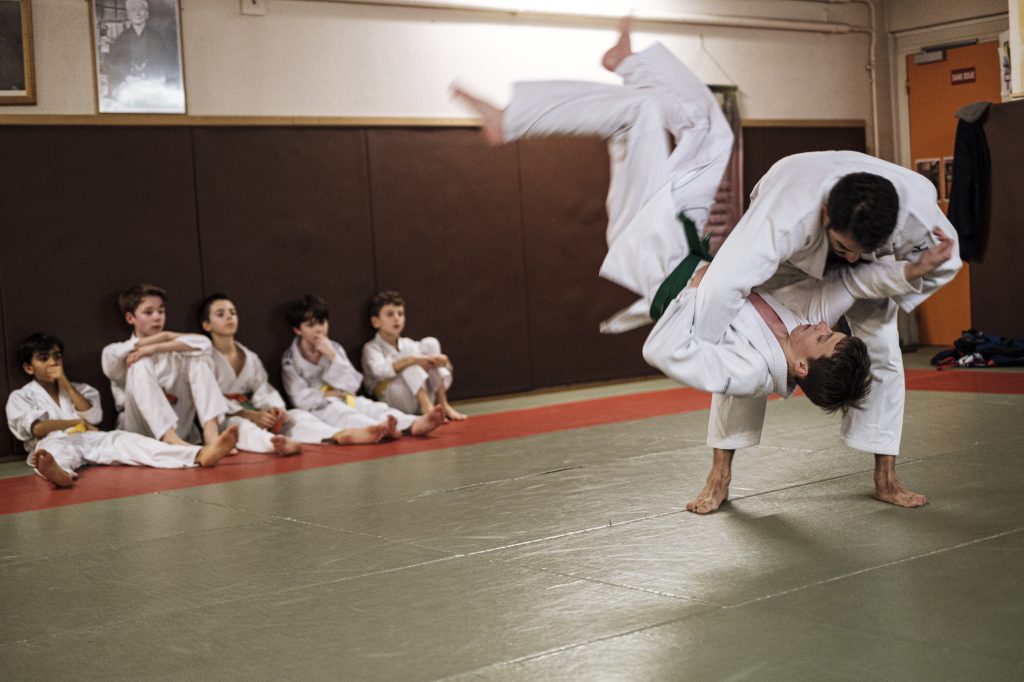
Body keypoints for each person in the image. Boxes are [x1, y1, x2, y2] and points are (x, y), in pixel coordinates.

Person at [453, 19, 958, 511]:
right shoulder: (792, 243)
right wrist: (906, 274)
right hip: (693, 244)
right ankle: (627, 61)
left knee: (641, 114)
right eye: (843, 248)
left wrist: (694, 302)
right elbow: (835, 281)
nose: (828, 322)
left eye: (826, 336)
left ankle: (513, 117)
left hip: (654, 250)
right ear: (827, 216)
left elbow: (667, 344)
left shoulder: (750, 364)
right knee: (710, 130)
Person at [6, 333, 238, 488]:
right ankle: (61, 474)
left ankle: (198, 455)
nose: (53, 363)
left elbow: (94, 417)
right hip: (56, 439)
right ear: (28, 367)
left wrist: (64, 381)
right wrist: (71, 423)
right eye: (44, 358)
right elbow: (37, 428)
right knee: (52, 449)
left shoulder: (79, 389)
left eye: (57, 357)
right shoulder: (20, 397)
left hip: (90, 436)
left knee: (131, 441)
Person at [199, 293, 396, 455]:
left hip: (261, 411)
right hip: (228, 415)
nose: (229, 317)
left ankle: (338, 434)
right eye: (220, 313)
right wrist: (248, 414)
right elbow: (209, 399)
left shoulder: (250, 357)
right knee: (240, 426)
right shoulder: (204, 360)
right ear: (207, 325)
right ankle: (274, 445)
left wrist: (274, 410)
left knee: (297, 417)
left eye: (232, 312)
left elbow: (263, 390)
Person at [281, 295, 446, 438]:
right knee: (344, 413)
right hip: (320, 406)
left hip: (344, 397)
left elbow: (352, 385)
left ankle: (413, 423)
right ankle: (379, 429)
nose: (319, 330)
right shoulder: (290, 359)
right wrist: (326, 394)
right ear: (297, 330)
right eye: (311, 325)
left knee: (373, 407)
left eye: (322, 323)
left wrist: (332, 356)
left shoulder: (334, 348)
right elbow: (298, 398)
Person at [102, 283, 228, 446]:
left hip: (181, 427)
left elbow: (205, 344)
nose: (157, 317)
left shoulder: (176, 351)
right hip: (139, 431)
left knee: (197, 358)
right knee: (140, 361)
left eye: (161, 311)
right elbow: (113, 361)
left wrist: (159, 344)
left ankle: (211, 433)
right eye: (148, 312)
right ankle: (169, 438)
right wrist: (151, 344)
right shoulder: (115, 351)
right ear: (130, 318)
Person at [361, 290, 467, 421]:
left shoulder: (408, 343)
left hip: (419, 393)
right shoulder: (371, 348)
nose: (396, 318)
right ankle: (426, 406)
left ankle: (442, 403)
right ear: (376, 322)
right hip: (393, 397)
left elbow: (440, 367)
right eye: (390, 314)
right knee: (409, 359)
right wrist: (411, 360)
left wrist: (443, 361)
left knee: (430, 342)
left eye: (400, 314)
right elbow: (379, 372)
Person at [105, 0, 178, 97]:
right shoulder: (121, 38)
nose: (137, 13)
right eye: (133, 10)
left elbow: (163, 61)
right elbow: (114, 64)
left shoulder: (156, 37)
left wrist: (146, 72)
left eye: (141, 9)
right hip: (128, 83)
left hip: (151, 82)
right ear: (128, 15)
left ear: (147, 14)